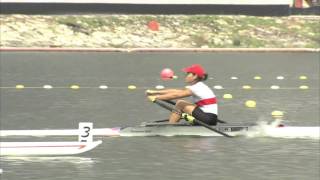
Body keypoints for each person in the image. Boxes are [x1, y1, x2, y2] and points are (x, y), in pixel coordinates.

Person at [146, 64, 218, 125]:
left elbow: (175, 95)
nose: (185, 76)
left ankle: (170, 127)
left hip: (208, 118)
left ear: (195, 76)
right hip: (208, 117)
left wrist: (156, 97)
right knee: (181, 104)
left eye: (188, 74)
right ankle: (173, 124)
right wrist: (154, 92)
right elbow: (176, 92)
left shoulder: (197, 87)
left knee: (180, 103)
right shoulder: (197, 86)